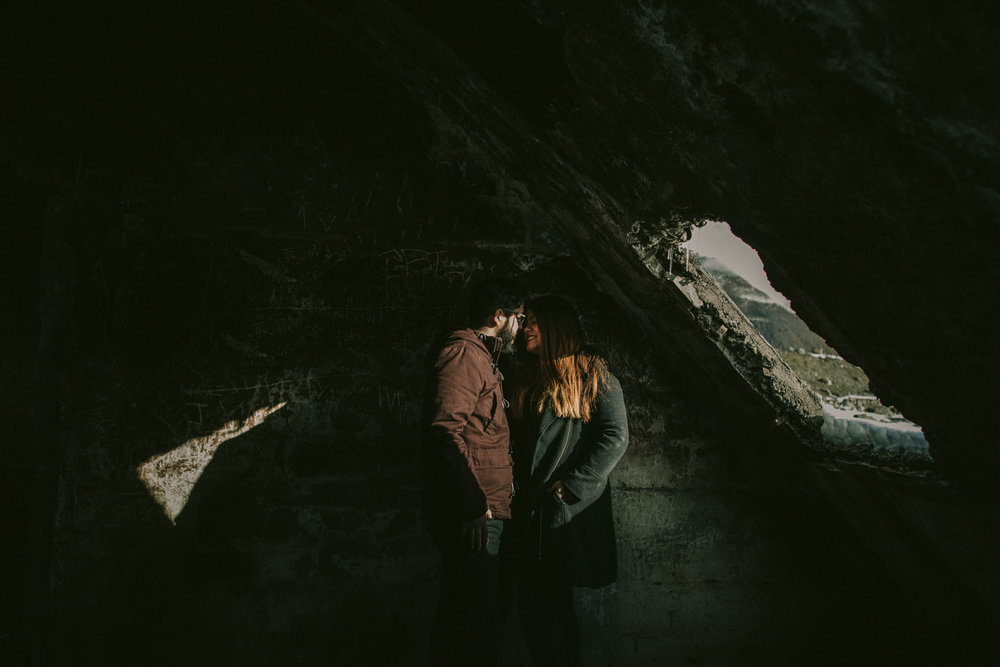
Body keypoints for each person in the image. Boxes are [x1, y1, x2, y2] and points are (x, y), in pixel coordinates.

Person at [507, 295, 629, 666]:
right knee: (545, 603)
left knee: (544, 604)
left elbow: (616, 435)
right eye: (525, 319)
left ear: (556, 327)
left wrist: (572, 487)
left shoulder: (593, 372)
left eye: (535, 321)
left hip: (561, 514)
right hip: (527, 510)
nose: (527, 326)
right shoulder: (527, 372)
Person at [421, 277, 526, 666]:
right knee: (474, 623)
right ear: (499, 316)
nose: (521, 325)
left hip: (484, 508)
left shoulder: (483, 357)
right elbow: (444, 431)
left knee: (467, 615)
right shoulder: (464, 355)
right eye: (519, 317)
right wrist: (471, 506)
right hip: (476, 514)